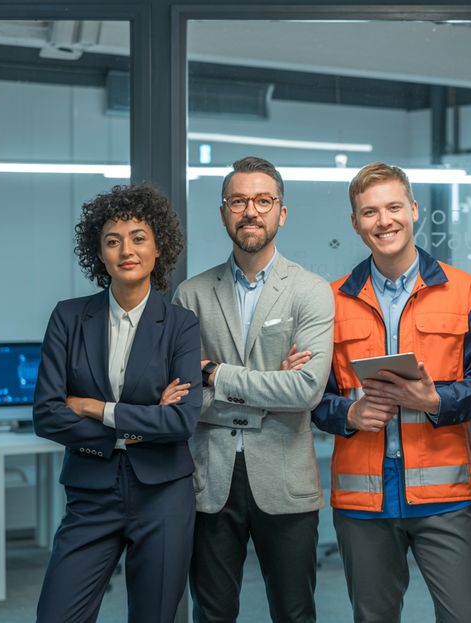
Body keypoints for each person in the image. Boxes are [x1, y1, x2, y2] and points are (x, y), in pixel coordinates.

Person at [312, 162, 471, 623]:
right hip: (363, 501)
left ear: (413, 210)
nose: (384, 221)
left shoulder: (467, 292)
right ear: (355, 223)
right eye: (369, 212)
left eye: (394, 207)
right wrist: (348, 414)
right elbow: (314, 396)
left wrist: (436, 402)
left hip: (443, 496)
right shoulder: (329, 301)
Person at [172, 156, 334, 623]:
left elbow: (305, 391)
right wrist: (270, 389)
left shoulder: (310, 291)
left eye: (263, 201)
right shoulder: (192, 294)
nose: (251, 211)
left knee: (295, 612)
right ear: (223, 212)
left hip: (285, 478)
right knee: (213, 614)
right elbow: (182, 397)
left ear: (281, 212)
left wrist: (215, 374)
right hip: (210, 480)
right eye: (238, 201)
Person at [33, 183, 202, 623]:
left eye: (138, 237)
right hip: (91, 492)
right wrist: (147, 421)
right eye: (113, 240)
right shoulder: (69, 317)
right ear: (100, 253)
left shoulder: (180, 325)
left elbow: (181, 421)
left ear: (159, 247)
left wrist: (93, 407)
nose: (126, 249)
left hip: (163, 493)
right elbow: (46, 414)